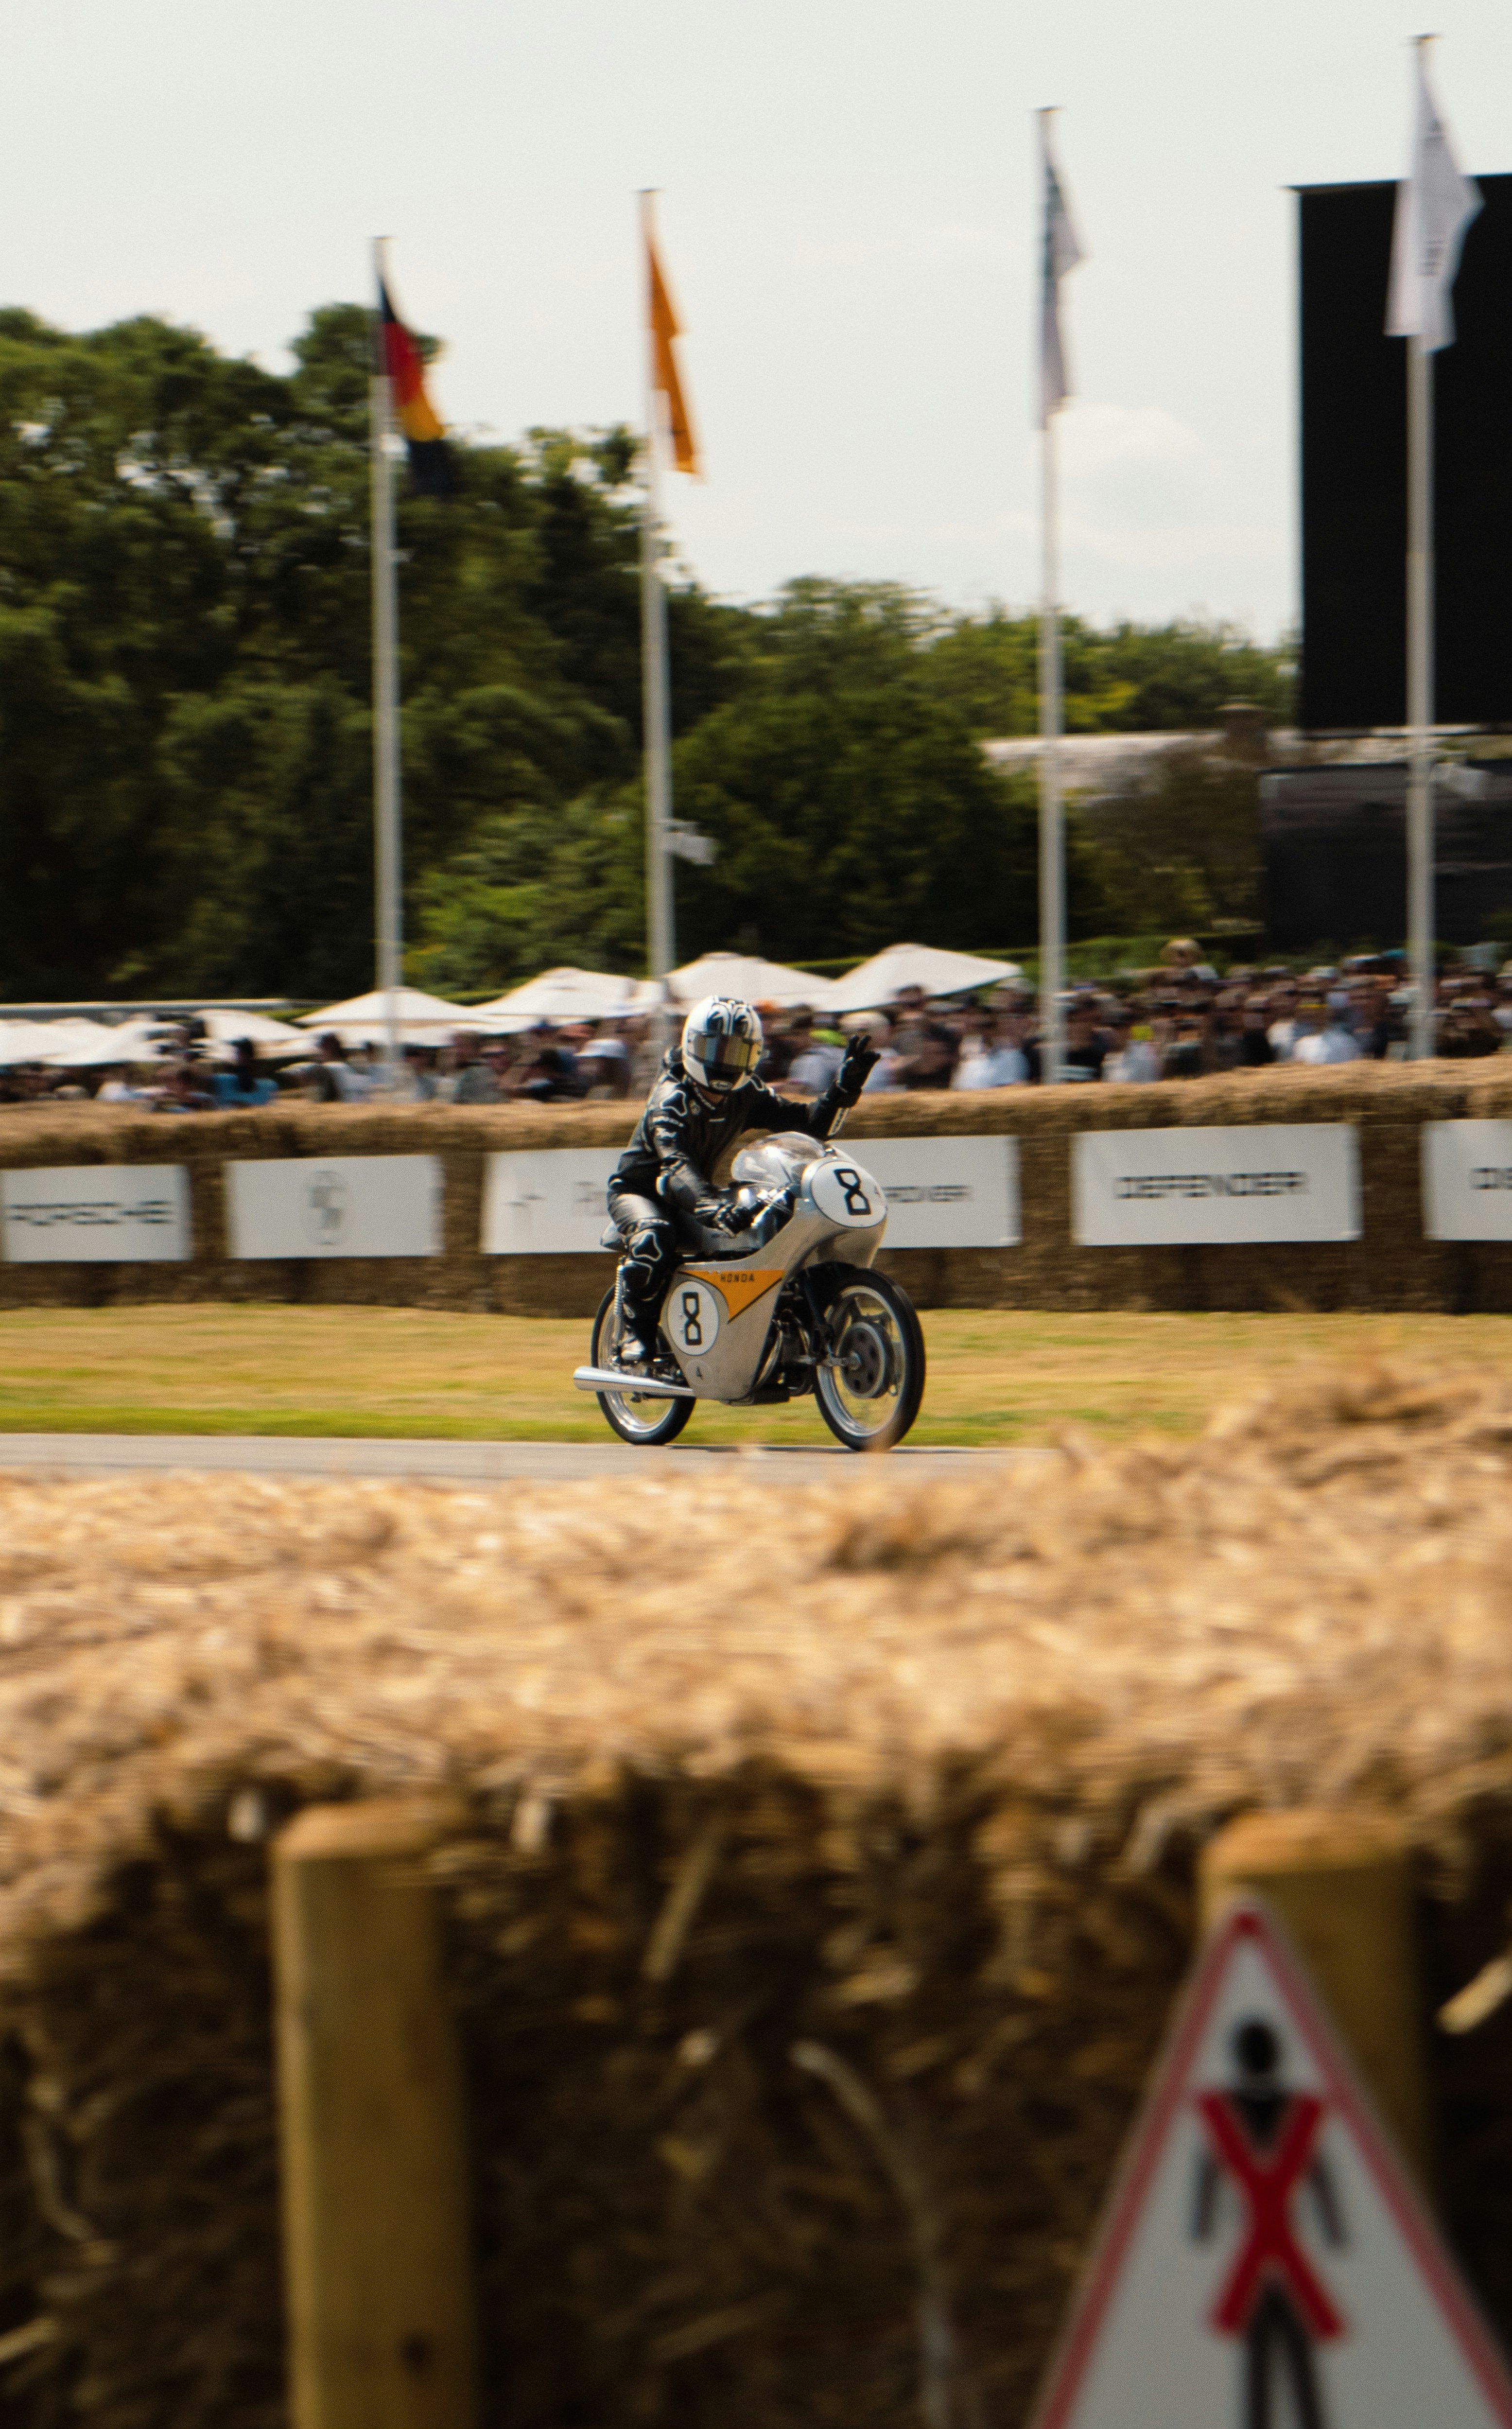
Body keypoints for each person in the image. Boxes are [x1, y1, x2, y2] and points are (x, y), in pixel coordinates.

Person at [605, 995, 878, 1365]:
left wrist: (842, 1091)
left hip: (695, 1189)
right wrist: (711, 1205)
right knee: (655, 1236)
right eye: (714, 1049)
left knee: (766, 1213)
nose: (724, 1062)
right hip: (641, 1191)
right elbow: (675, 1163)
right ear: (692, 1044)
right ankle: (634, 1334)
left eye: (736, 1052)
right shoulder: (670, 1100)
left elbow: (809, 1125)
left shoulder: (745, 1093)